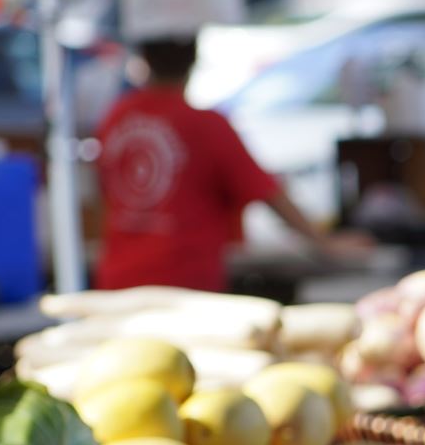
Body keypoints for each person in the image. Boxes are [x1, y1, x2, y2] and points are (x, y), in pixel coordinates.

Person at [94, 36, 368, 293]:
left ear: (145, 58)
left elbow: (102, 191)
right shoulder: (205, 124)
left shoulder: (116, 117)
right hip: (183, 284)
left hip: (119, 279)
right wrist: (324, 244)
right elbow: (268, 193)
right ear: (193, 58)